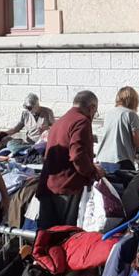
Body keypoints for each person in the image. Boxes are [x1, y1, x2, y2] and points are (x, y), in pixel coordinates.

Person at [37, 90, 101, 227]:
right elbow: (77, 155)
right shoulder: (81, 121)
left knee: (48, 235)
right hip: (67, 186)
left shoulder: (60, 121)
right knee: (65, 234)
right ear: (92, 108)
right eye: (95, 112)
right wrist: (93, 172)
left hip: (49, 185)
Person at [97, 86, 139, 172]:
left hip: (103, 160)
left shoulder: (109, 113)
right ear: (134, 100)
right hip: (121, 160)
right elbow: (138, 142)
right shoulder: (131, 114)